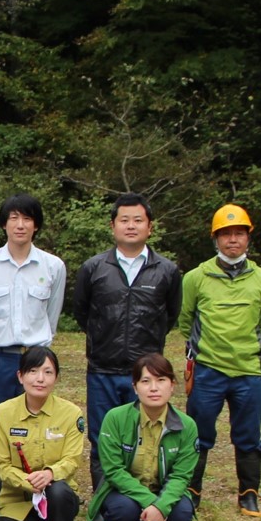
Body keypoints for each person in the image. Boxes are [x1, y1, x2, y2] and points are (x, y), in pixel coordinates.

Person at [72, 192, 183, 486]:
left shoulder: (167, 271)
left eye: (138, 220)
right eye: (124, 220)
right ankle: (103, 499)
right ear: (113, 226)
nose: (131, 226)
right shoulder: (94, 268)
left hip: (146, 372)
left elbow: (170, 315)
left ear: (150, 227)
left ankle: (140, 497)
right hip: (103, 369)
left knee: (143, 435)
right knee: (102, 436)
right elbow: (82, 312)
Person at [181, 203, 261, 516]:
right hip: (207, 370)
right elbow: (185, 320)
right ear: (215, 238)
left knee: (248, 434)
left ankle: (248, 494)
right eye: (226, 234)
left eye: (239, 233)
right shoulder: (196, 277)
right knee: (198, 433)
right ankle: (191, 491)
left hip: (248, 370)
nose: (232, 239)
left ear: (248, 238)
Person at [86, 353, 198, 521]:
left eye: (161, 380)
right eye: (145, 381)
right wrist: (150, 502)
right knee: (121, 511)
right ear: (135, 388)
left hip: (163, 489)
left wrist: (161, 506)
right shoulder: (115, 418)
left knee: (183, 512)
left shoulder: (187, 426)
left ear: (172, 385)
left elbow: (181, 476)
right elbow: (113, 471)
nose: (153, 388)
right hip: (123, 492)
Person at [0, 193, 67, 426]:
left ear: (36, 225)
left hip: (36, 358)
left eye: (27, 219)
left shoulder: (53, 266)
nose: (20, 225)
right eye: (13, 218)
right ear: (4, 224)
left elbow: (51, 316)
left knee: (35, 424)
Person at [0, 346, 84, 521]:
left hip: (56, 496)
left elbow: (72, 459)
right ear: (20, 376)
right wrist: (28, 481)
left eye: (48, 372)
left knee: (58, 492)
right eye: (32, 371)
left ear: (56, 378)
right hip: (17, 500)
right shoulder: (2, 414)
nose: (40, 379)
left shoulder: (71, 413)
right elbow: (1, 466)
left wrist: (49, 474)